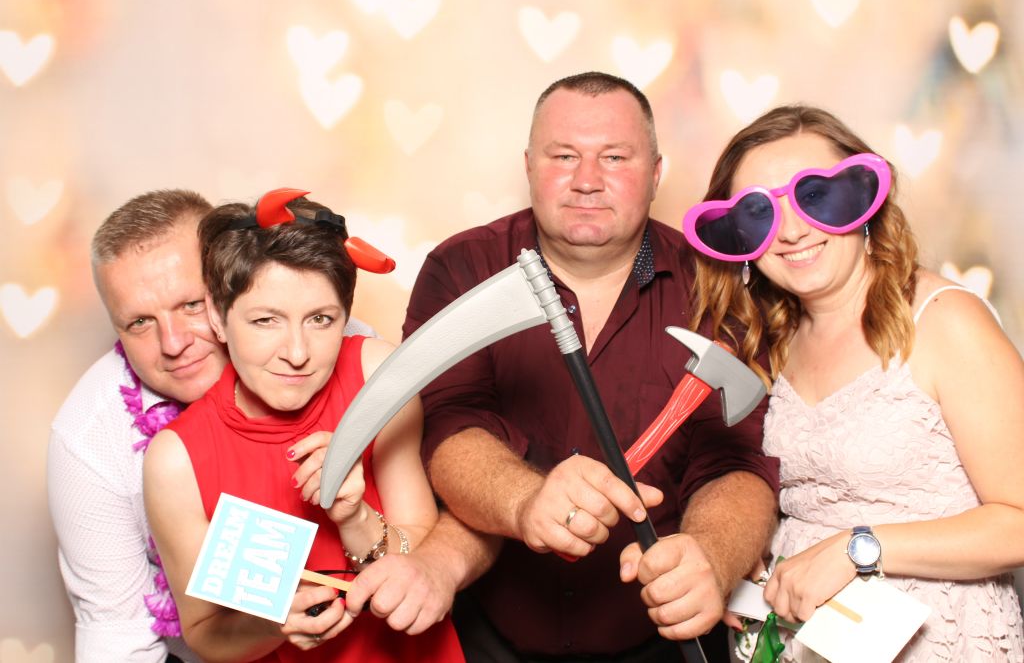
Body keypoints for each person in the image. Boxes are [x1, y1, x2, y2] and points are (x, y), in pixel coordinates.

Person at [403, 71, 780, 661]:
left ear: (656, 174)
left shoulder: (717, 284)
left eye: (614, 157)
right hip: (487, 638)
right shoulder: (462, 267)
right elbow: (450, 424)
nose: (586, 180)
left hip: (660, 643)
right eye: (563, 156)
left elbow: (738, 459)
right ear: (529, 166)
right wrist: (525, 500)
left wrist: (710, 554)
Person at [678, 105, 1024, 660]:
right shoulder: (775, 337)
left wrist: (859, 548)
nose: (791, 231)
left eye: (815, 196)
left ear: (864, 200)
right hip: (799, 638)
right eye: (759, 214)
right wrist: (746, 566)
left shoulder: (945, 320)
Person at [143, 190, 464, 662]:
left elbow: (425, 553)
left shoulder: (378, 379)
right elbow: (205, 631)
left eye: (320, 319)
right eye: (265, 320)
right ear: (217, 317)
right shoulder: (176, 460)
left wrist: (354, 518)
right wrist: (273, 624)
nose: (296, 353)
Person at [48, 189, 228, 662]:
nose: (173, 343)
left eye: (191, 304)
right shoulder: (87, 435)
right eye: (140, 322)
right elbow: (117, 634)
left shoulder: (316, 344)